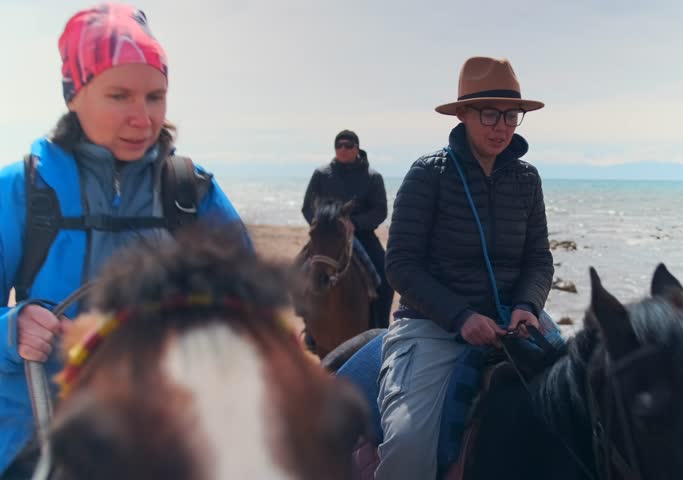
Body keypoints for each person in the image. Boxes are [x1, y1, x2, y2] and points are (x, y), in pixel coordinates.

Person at [0, 4, 248, 477]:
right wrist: (12, 330)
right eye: (120, 96)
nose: (142, 117)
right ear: (75, 95)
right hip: (38, 444)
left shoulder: (190, 192)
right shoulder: (22, 190)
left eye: (155, 97)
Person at [376, 56, 554, 478]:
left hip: (517, 321)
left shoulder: (528, 180)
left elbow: (538, 258)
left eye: (512, 115)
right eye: (490, 114)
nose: (502, 126)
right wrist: (461, 316)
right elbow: (400, 264)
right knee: (407, 443)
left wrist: (528, 305)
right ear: (462, 115)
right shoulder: (427, 175)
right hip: (432, 326)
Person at [301, 130, 392, 331]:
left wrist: (356, 223)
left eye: (348, 145)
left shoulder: (372, 177)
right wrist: (320, 227)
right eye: (339, 145)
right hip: (327, 238)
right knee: (295, 272)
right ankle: (310, 326)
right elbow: (307, 206)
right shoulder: (321, 174)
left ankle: (380, 328)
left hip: (362, 235)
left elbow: (380, 211)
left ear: (357, 149)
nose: (343, 149)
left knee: (386, 278)